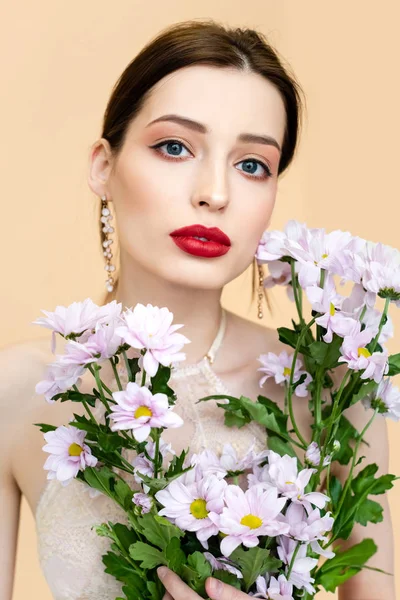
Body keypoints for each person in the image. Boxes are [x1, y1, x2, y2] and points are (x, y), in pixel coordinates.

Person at [0, 18, 395, 600]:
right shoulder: (18, 390)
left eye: (252, 163)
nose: (216, 192)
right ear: (103, 166)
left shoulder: (329, 387)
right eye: (175, 147)